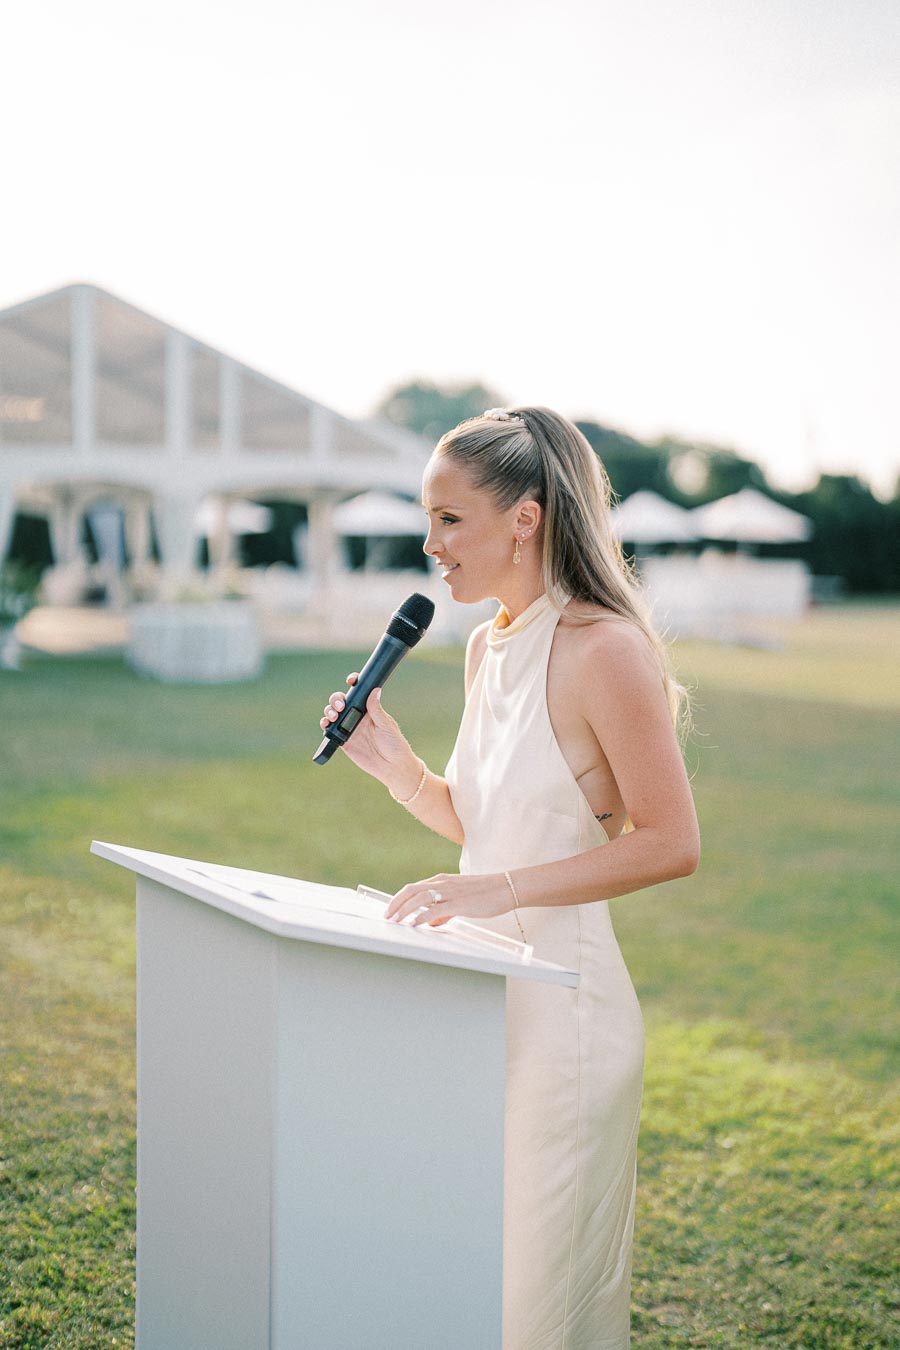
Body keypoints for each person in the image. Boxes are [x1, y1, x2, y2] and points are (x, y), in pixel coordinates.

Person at [320, 406, 700, 1349]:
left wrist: (493, 893)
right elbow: (485, 828)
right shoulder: (489, 645)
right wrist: (397, 768)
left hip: (563, 1027)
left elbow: (670, 841)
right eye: (428, 518)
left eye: (450, 519)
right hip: (476, 1003)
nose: (429, 543)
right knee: (468, 1289)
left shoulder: (603, 649)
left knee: (539, 1312)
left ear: (524, 519)